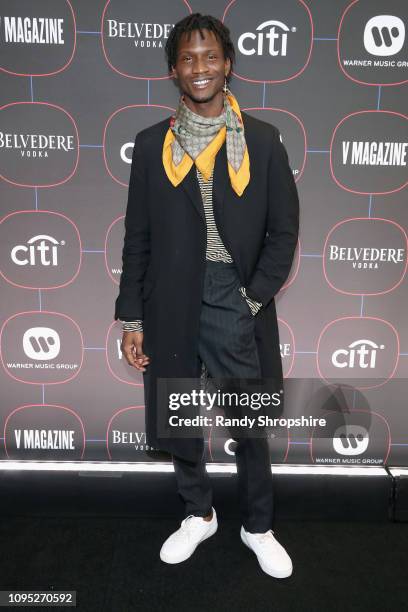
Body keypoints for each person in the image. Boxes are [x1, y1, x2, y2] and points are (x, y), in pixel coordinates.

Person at [114, 13, 299, 579]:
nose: (201, 68)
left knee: (249, 421)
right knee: (179, 417)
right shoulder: (151, 147)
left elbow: (284, 231)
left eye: (210, 56)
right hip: (168, 296)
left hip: (231, 293)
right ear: (173, 70)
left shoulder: (263, 141)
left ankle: (258, 526)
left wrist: (252, 299)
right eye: (189, 58)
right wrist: (131, 318)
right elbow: (137, 237)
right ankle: (199, 513)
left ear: (229, 65)